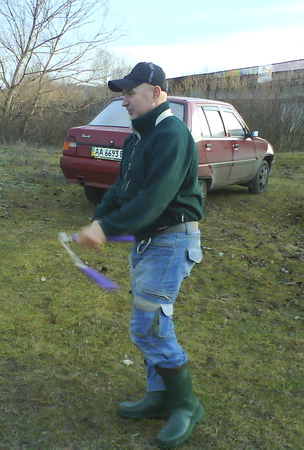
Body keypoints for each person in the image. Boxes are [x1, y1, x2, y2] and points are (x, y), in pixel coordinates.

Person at [75, 62, 204, 448]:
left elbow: (153, 200)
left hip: (172, 241)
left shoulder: (172, 136)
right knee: (151, 322)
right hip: (147, 242)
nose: (124, 101)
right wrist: (100, 219)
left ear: (157, 92)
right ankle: (159, 396)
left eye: (131, 93)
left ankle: (186, 405)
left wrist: (105, 230)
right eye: (123, 94)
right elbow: (121, 190)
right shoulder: (137, 139)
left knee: (148, 326)